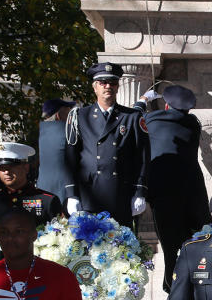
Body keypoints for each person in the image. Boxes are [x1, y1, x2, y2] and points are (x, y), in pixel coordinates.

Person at [141, 84, 211, 300]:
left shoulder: (153, 121)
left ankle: (175, 294)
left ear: (167, 104)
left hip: (165, 196)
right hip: (193, 194)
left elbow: (134, 117)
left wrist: (143, 100)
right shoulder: (193, 124)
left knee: (171, 246)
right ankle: (197, 291)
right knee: (195, 243)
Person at [64, 62, 149, 227]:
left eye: (112, 83)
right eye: (103, 82)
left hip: (121, 194)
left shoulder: (132, 117)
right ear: (95, 87)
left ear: (118, 87)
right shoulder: (80, 116)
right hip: (89, 195)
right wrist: (71, 193)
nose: (108, 86)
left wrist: (140, 191)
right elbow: (70, 158)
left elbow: (142, 156)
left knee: (122, 249)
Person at [0, 142, 63, 268]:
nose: (6, 171)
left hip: (37, 267)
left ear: (26, 167)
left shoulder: (47, 201)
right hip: (1, 269)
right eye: (2, 168)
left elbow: (60, 239)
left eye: (12, 166)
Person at [37, 99, 77, 205]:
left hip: (43, 190)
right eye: (69, 112)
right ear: (59, 114)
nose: (71, 116)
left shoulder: (43, 131)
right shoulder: (66, 132)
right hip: (64, 192)